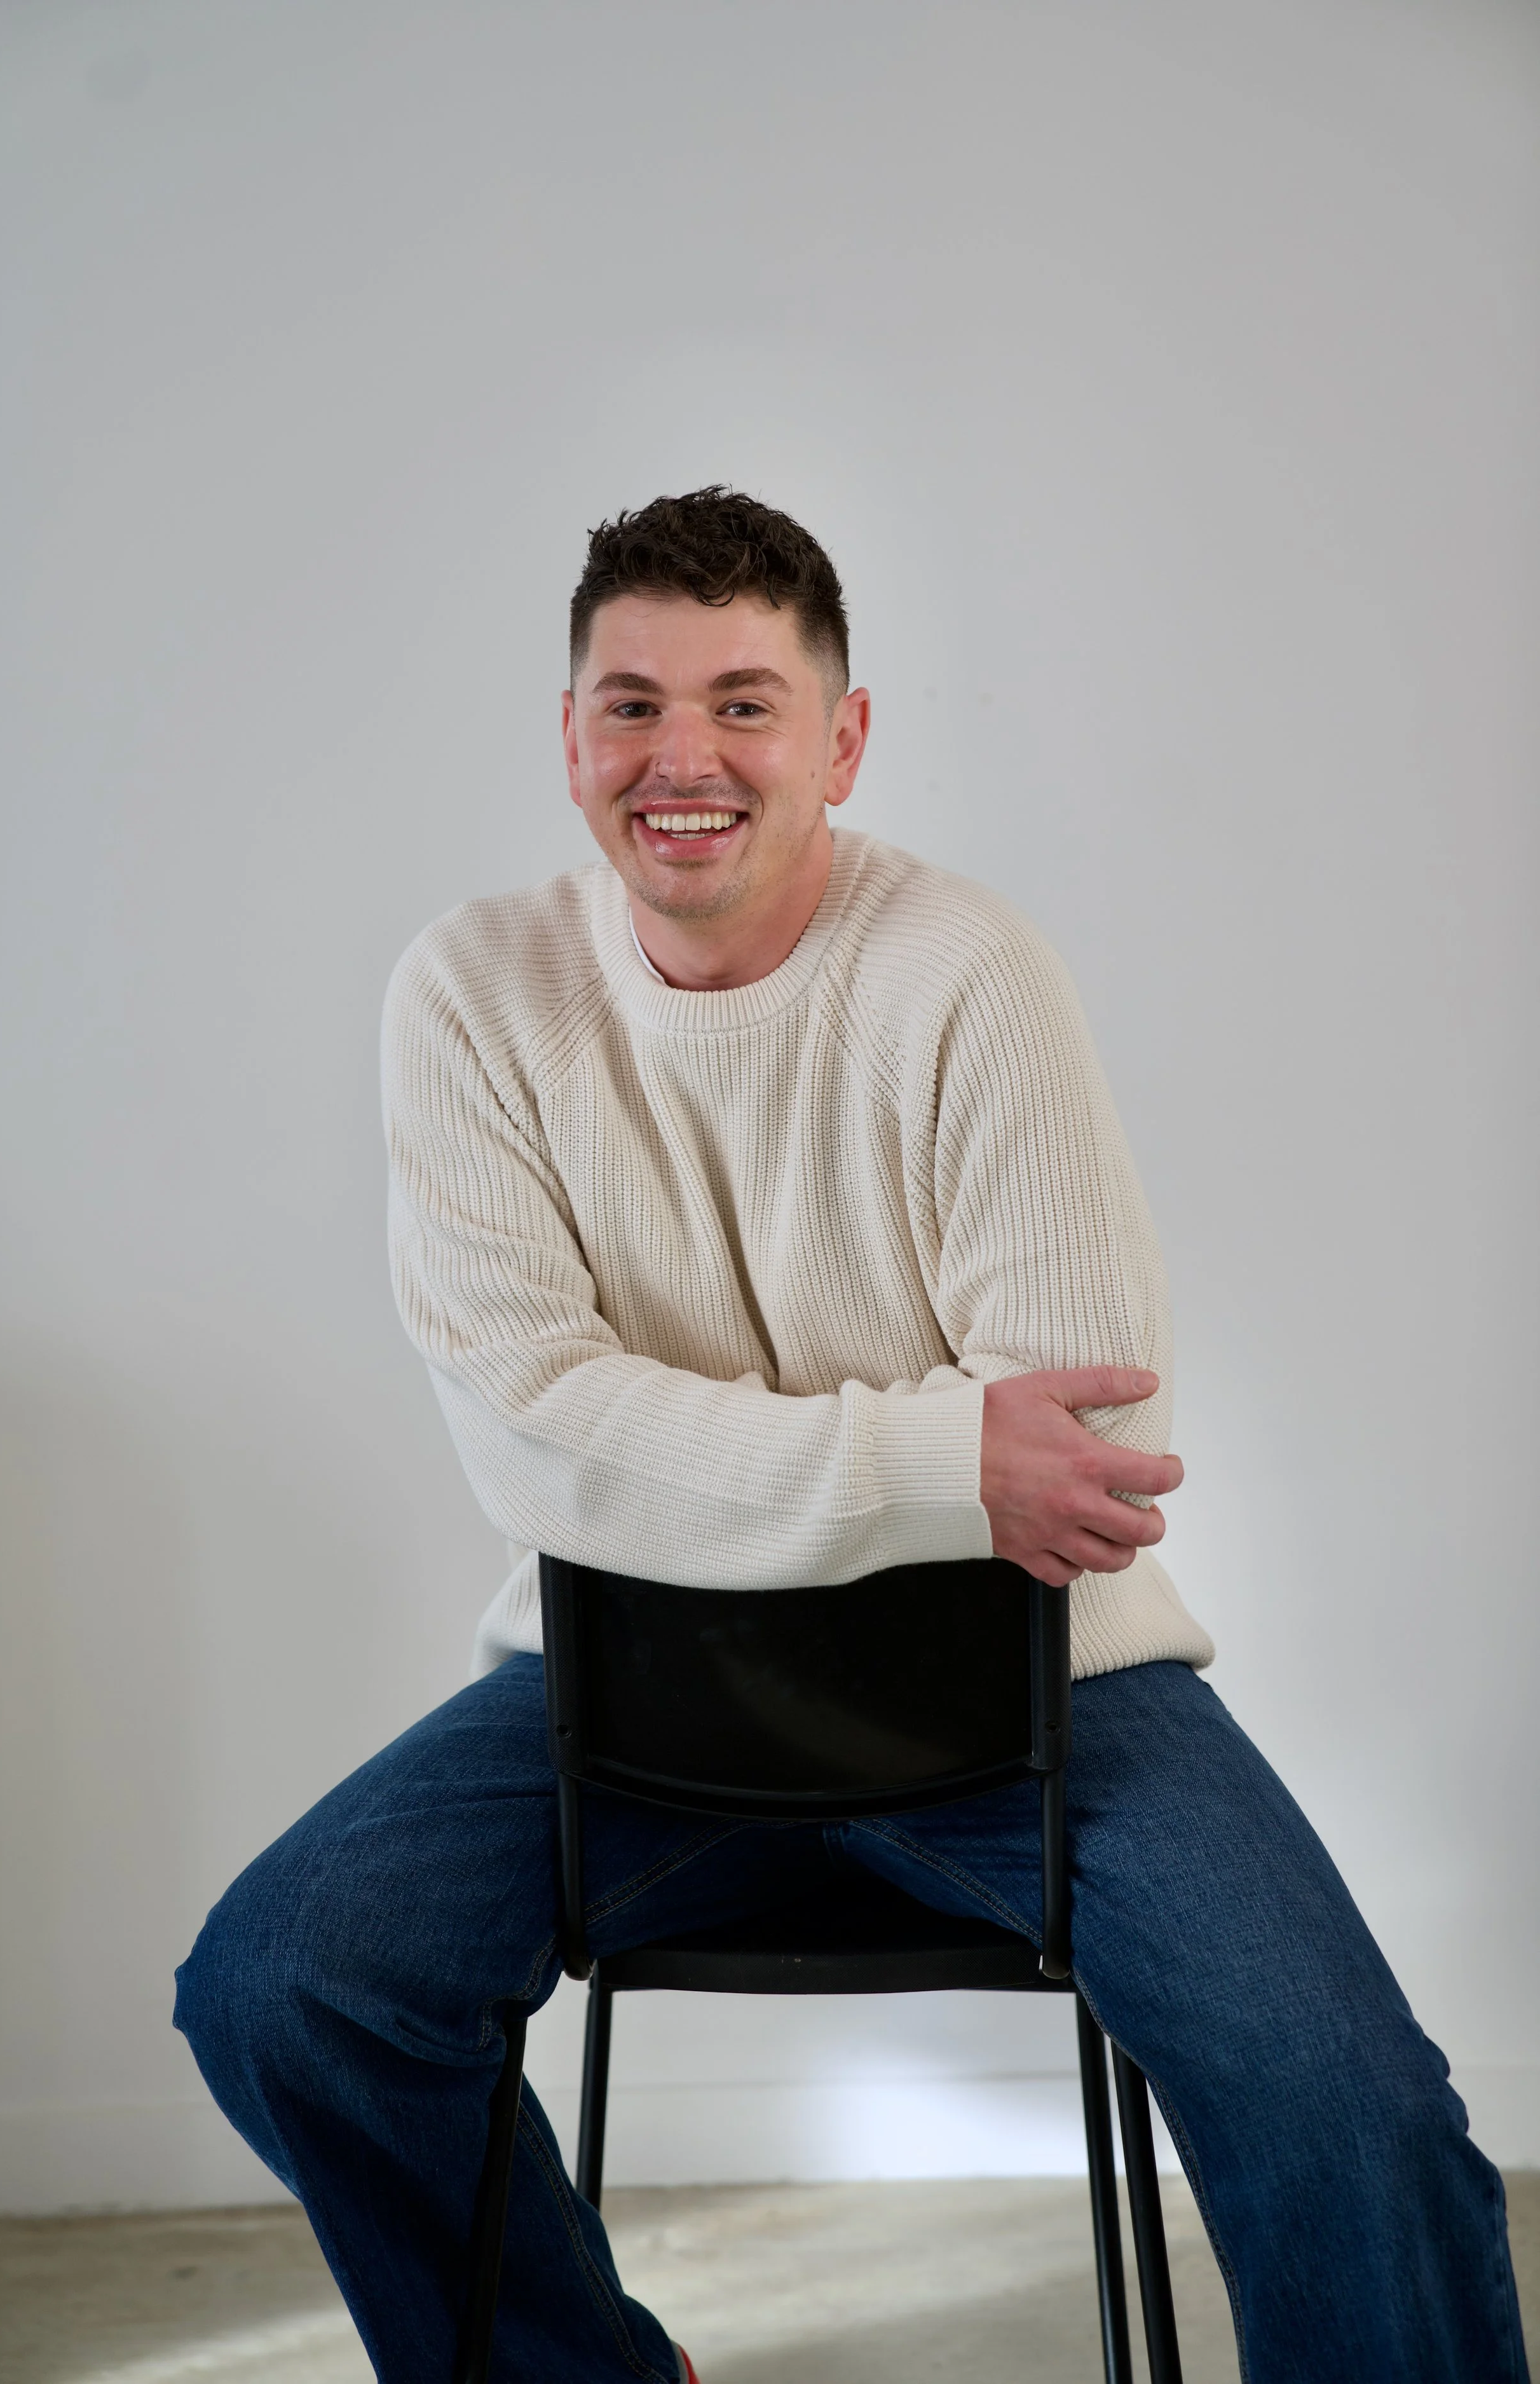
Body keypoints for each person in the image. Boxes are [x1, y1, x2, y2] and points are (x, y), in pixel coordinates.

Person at [175, 488, 1527, 2383]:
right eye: (631, 703)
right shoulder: (472, 993)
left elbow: (1076, 1431)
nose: (683, 757)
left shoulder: (963, 973)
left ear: (841, 737)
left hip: (1035, 1687)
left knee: (1351, 2101)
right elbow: (536, 1441)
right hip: (629, 1695)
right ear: (570, 735)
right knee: (284, 1977)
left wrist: (757, 1464)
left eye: (743, 702)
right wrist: (927, 1457)